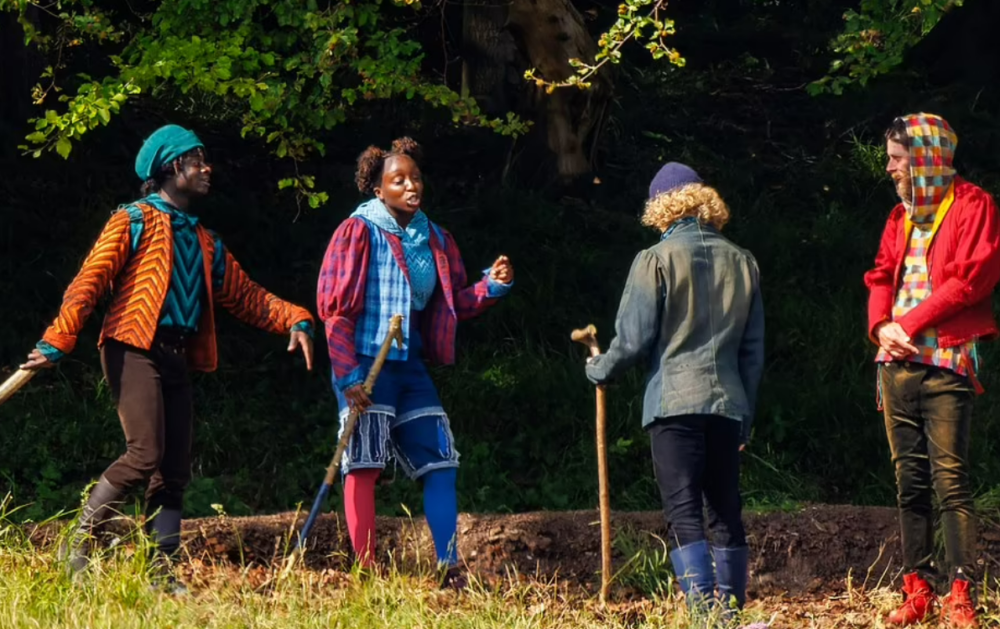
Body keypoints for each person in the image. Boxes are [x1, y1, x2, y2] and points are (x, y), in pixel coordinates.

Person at [21, 124, 315, 587]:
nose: (206, 168)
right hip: (131, 347)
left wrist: (295, 319)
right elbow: (89, 283)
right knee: (144, 453)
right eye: (198, 160)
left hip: (176, 355)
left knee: (173, 470)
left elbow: (247, 296)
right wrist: (57, 339)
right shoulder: (133, 220)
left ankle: (161, 569)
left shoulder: (204, 240)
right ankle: (77, 543)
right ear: (173, 167)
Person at [316, 137, 513, 588]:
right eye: (397, 179)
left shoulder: (435, 238)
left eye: (416, 177)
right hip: (366, 364)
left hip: (409, 366)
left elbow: (452, 303)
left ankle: (449, 568)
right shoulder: (358, 230)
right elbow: (336, 309)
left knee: (442, 463)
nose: (410, 186)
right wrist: (347, 377)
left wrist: (492, 286)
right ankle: (365, 571)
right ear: (377, 189)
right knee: (364, 464)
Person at [584, 162, 764, 617]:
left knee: (683, 509)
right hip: (727, 406)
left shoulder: (656, 259)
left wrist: (599, 368)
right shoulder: (743, 261)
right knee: (725, 508)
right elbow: (752, 352)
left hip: (673, 404)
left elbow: (633, 338)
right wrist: (745, 415)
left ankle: (704, 615)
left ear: (660, 207)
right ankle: (730, 614)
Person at [865, 113, 1000, 628]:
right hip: (895, 363)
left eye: (897, 159)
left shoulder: (974, 205)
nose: (890, 168)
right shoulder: (899, 217)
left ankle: (960, 592)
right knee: (909, 482)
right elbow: (879, 274)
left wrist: (909, 321)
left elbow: (971, 280)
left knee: (951, 482)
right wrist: (881, 326)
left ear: (924, 158)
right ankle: (917, 589)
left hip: (946, 360)